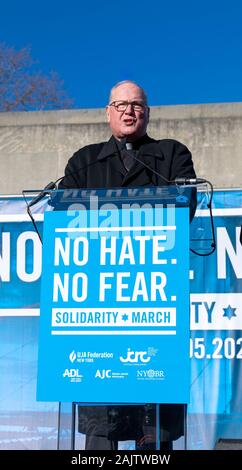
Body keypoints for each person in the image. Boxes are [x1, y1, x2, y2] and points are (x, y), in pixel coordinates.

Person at [59, 80, 196, 450]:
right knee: (101, 435)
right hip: (101, 312)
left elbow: (185, 205)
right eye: (120, 105)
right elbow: (67, 223)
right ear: (108, 112)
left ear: (147, 114)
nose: (128, 111)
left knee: (155, 435)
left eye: (136, 105)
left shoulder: (172, 155)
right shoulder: (83, 162)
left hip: (154, 306)